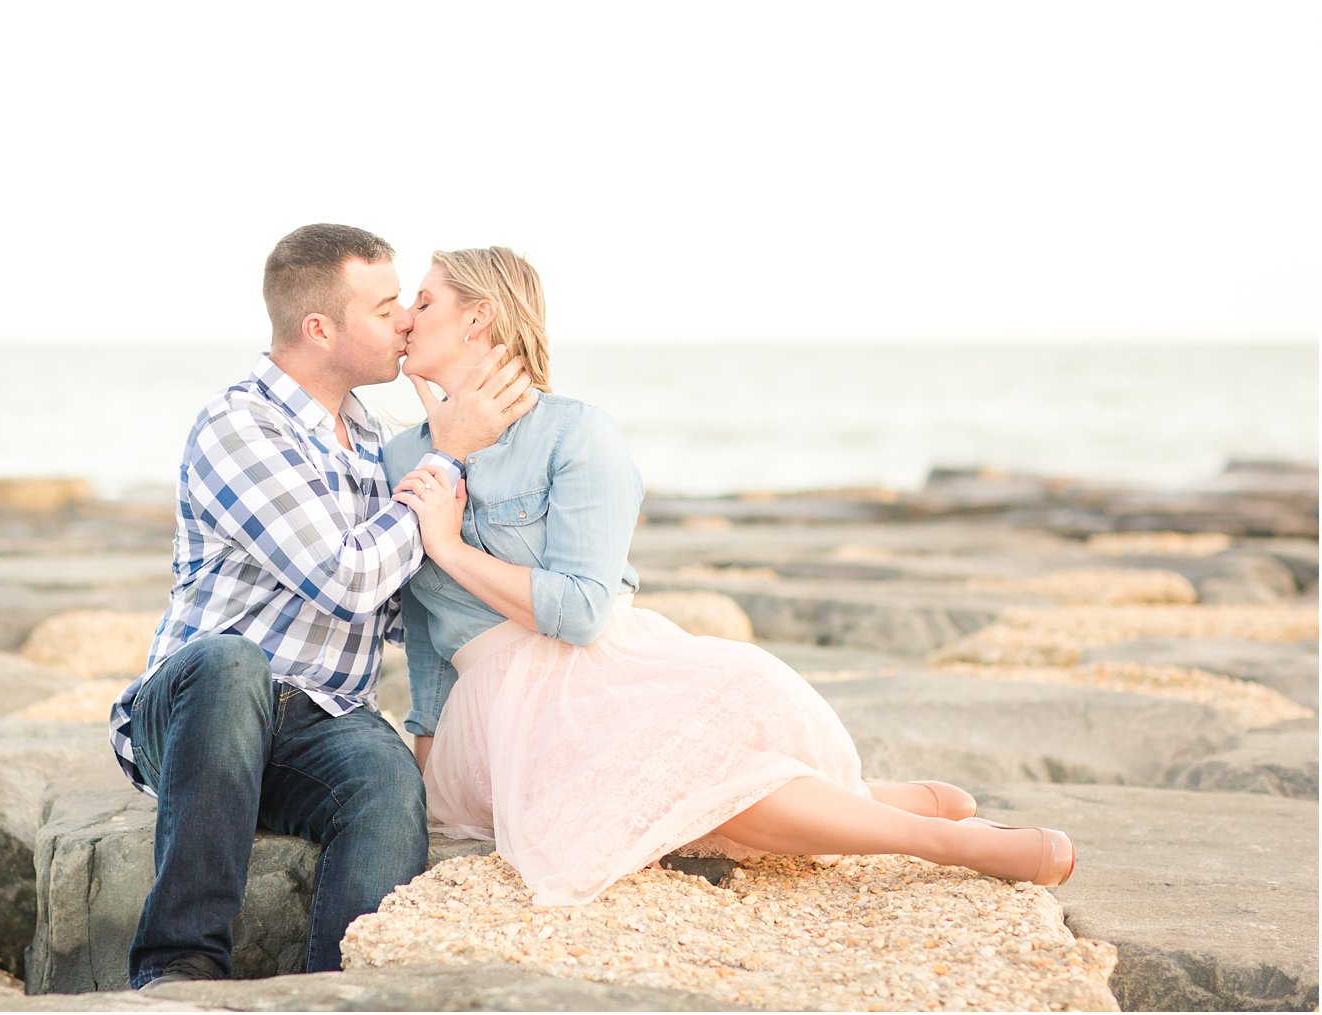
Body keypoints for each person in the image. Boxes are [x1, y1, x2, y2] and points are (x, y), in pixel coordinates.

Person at [382, 246, 1074, 907]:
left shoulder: (576, 432)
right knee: (668, 763)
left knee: (738, 695)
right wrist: (430, 747)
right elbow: (426, 619)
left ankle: (862, 798)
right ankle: (940, 840)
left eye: (422, 299)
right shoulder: (402, 457)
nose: (406, 317)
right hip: (500, 702)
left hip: (600, 658)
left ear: (479, 318)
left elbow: (587, 612)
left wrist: (451, 545)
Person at [107, 224, 537, 989]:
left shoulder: (375, 441)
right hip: (195, 713)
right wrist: (452, 453)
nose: (405, 318)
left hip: (319, 718)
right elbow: (346, 580)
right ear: (319, 329)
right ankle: (179, 967)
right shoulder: (239, 426)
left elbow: (410, 604)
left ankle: (334, 989)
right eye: (384, 307)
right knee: (232, 663)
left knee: (387, 777)